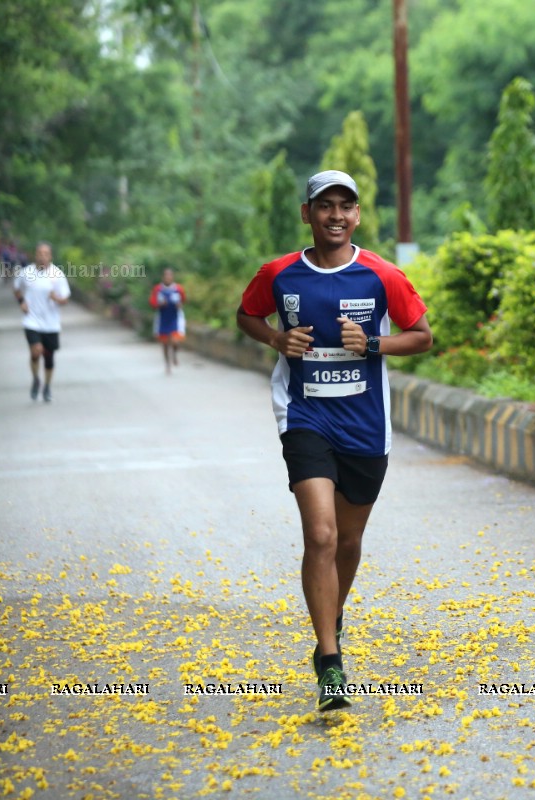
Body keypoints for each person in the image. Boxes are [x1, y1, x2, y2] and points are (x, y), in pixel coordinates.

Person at [236, 170, 433, 711]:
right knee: (320, 535)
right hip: (304, 416)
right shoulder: (278, 274)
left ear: (358, 216)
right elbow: (247, 314)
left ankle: (332, 615)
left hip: (366, 425)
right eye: (325, 206)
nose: (336, 216)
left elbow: (423, 336)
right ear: (307, 214)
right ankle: (329, 660)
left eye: (346, 206)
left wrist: (373, 343)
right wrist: (277, 337)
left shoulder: (382, 275)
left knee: (347, 542)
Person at [13, 242, 71, 403]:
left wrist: (56, 298)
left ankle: (46, 386)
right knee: (36, 351)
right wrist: (21, 302)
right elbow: (17, 288)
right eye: (40, 253)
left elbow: (65, 299)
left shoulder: (57, 275)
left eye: (46, 254)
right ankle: (35, 379)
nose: (42, 256)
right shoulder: (26, 272)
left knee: (49, 357)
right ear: (35, 255)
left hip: (51, 323)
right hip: (31, 320)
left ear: (50, 256)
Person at [150, 268, 187, 374]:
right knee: (165, 343)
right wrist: (160, 305)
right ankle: (167, 364)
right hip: (163, 318)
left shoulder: (178, 289)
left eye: (170, 275)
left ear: (172, 277)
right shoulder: (158, 289)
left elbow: (183, 300)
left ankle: (175, 354)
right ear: (163, 277)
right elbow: (152, 303)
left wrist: (179, 305)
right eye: (166, 276)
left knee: (175, 341)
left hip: (175, 318)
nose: (168, 278)